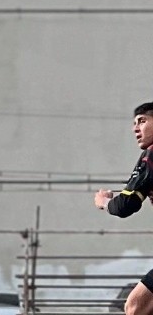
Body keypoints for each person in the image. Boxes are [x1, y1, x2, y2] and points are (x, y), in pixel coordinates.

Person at [94, 102, 153, 315]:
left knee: (136, 307)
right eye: (134, 123)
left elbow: (125, 205)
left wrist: (104, 202)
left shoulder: (151, 155)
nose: (135, 128)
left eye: (142, 121)